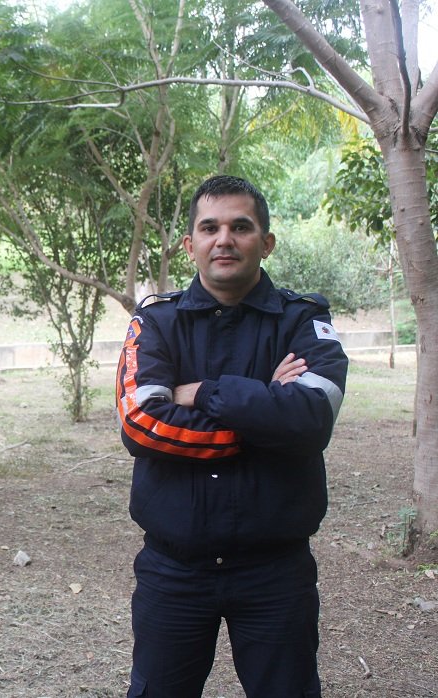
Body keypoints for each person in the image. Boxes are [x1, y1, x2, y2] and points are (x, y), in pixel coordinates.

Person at [115, 175, 349, 697]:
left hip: (275, 574)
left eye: (241, 227)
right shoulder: (156, 322)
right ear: (189, 244)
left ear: (266, 243)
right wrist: (263, 409)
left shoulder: (303, 319)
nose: (224, 239)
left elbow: (312, 419)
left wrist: (201, 391)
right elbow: (141, 425)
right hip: (173, 573)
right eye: (210, 228)